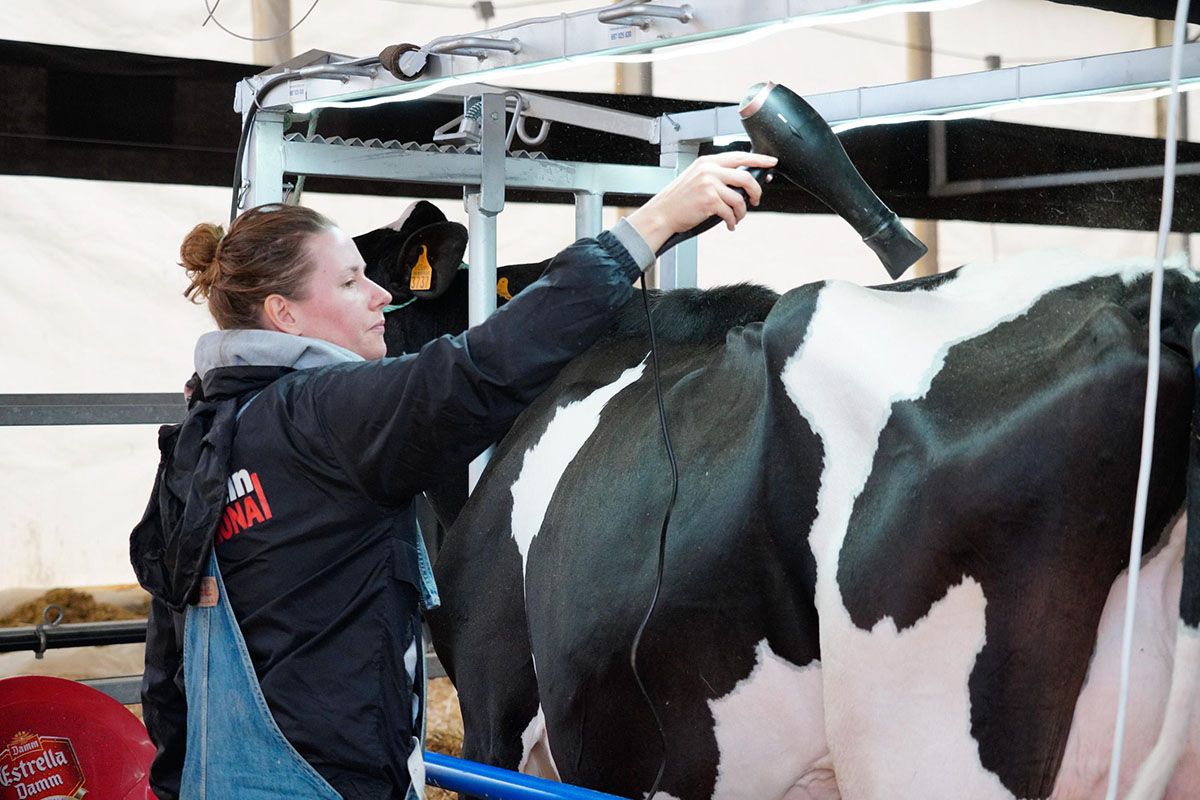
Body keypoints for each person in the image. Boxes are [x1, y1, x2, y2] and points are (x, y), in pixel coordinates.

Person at [130, 150, 777, 800]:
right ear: (285, 314)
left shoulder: (195, 442)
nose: (382, 293)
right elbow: (486, 367)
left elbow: (167, 671)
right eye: (352, 280)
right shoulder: (325, 416)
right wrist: (655, 222)